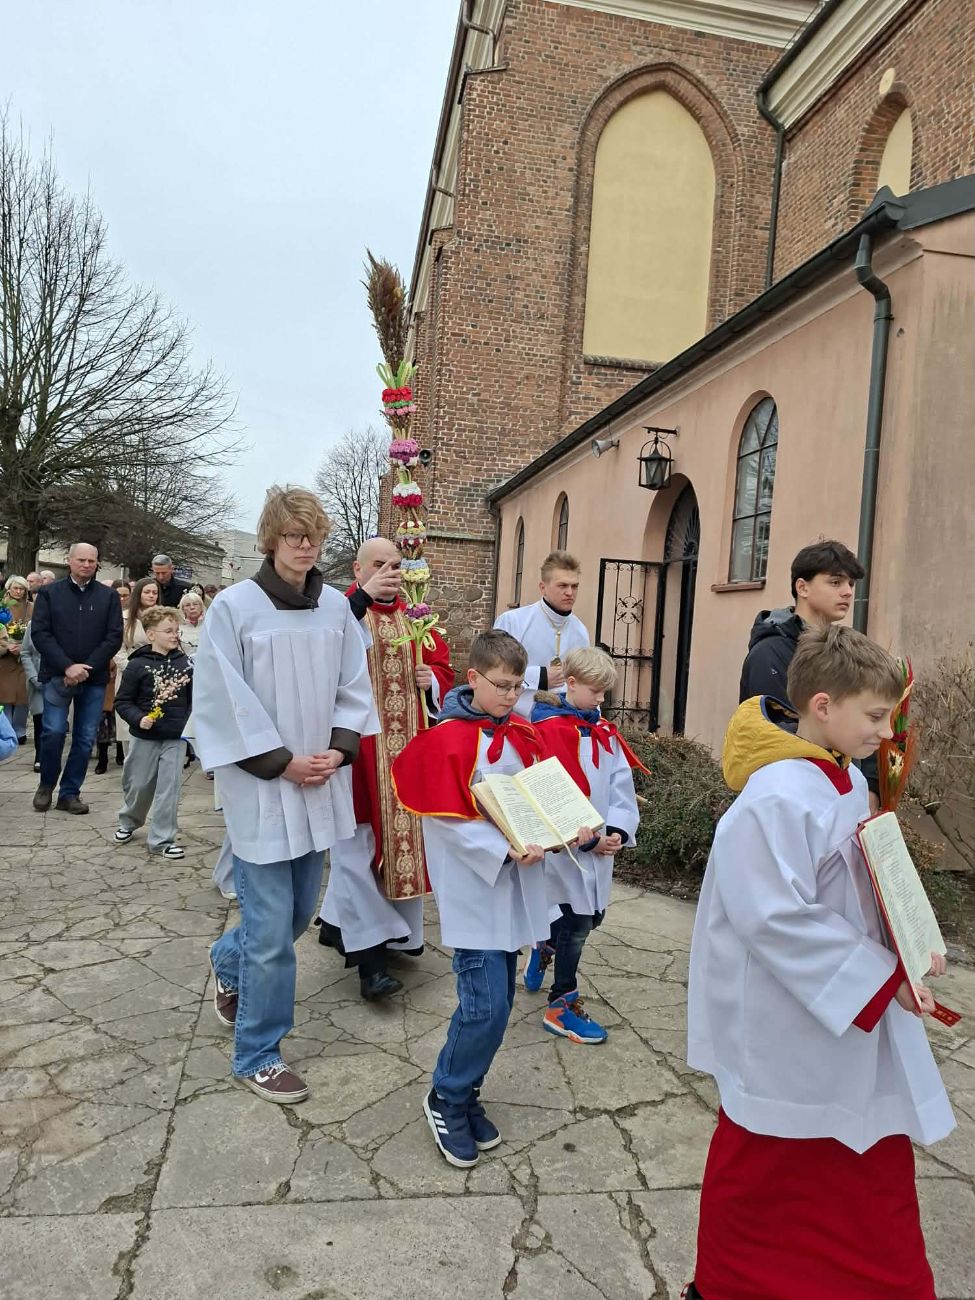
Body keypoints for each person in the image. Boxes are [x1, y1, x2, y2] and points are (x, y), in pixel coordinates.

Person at [684, 625, 955, 1300]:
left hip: (835, 1014)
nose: (885, 730)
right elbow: (772, 915)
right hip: (789, 1022)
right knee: (779, 1168)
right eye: (873, 716)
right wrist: (877, 979)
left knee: (858, 1157)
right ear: (823, 706)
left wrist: (905, 936)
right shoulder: (776, 796)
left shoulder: (834, 780)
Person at [193, 486, 377, 1105]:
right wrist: (280, 763)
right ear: (271, 539)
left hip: (320, 781)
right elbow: (221, 700)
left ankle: (225, 955)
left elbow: (356, 685)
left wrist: (340, 748)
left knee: (296, 917)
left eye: (315, 536)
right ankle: (259, 1052)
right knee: (272, 934)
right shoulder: (236, 608)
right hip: (264, 785)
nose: (307, 546)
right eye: (295, 535)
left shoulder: (332, 611)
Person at [390, 630, 550, 1169]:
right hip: (476, 887)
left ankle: (468, 1091)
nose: (510, 695)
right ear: (473, 678)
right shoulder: (447, 739)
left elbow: (543, 794)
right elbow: (445, 820)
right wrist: (504, 849)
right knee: (484, 1005)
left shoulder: (522, 733)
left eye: (518, 686)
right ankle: (446, 1096)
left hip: (516, 884)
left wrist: (563, 826)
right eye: (501, 685)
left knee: (499, 1004)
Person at [318, 537, 455, 1000]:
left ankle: (392, 934)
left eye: (396, 565)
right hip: (358, 752)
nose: (390, 572)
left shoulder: (418, 614)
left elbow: (444, 667)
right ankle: (369, 962)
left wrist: (431, 679)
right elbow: (321, 658)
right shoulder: (339, 610)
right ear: (358, 569)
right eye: (380, 564)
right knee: (357, 850)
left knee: (404, 848)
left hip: (408, 751)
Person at [528, 647, 645, 1041]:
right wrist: (584, 840)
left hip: (599, 848)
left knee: (590, 918)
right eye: (595, 691)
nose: (600, 700)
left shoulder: (604, 733)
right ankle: (561, 1004)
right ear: (571, 684)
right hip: (567, 852)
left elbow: (620, 787)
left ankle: (544, 945)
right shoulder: (548, 730)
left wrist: (617, 830)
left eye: (605, 693)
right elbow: (547, 792)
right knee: (576, 922)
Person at [30, 543, 124, 814]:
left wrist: (88, 668)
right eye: (81, 560)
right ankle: (46, 784)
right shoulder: (49, 593)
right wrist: (68, 667)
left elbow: (113, 637)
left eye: (91, 561)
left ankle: (69, 793)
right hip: (57, 676)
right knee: (54, 731)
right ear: (69, 561)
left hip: (93, 679)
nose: (86, 565)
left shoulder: (107, 597)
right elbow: (41, 634)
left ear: (97, 564)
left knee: (84, 738)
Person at [738, 539, 864, 703]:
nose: (848, 592)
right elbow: (776, 724)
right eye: (835, 582)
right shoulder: (770, 653)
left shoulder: (841, 649)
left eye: (851, 584)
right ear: (803, 588)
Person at [113, 607, 193, 858]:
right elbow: (123, 702)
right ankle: (129, 820)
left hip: (175, 737)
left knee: (169, 789)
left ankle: (162, 839)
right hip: (144, 737)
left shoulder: (186, 665)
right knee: (138, 785)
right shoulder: (138, 665)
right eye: (168, 631)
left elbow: (194, 700)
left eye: (176, 631)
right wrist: (139, 718)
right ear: (150, 635)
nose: (174, 635)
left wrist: (189, 726)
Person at [494, 550, 589, 717]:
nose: (570, 592)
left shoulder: (580, 631)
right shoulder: (513, 621)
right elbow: (493, 671)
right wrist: (541, 676)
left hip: (562, 723)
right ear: (542, 588)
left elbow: (584, 680)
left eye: (574, 586)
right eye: (562, 586)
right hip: (517, 720)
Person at [0, 575, 33, 742]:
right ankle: (6, 730)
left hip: (24, 657)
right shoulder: (2, 607)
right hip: (4, 658)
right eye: (15, 588)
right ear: (9, 589)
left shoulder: (31, 607)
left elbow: (37, 629)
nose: (18, 592)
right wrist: (6, 646)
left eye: (22, 589)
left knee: (22, 696)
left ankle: (19, 730)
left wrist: (24, 646)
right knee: (4, 696)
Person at [119, 578, 160, 672]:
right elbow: (118, 648)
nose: (151, 596)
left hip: (156, 669)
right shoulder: (124, 617)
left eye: (155, 593)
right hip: (130, 668)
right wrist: (130, 669)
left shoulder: (164, 618)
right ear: (138, 594)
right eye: (147, 592)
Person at [19, 621, 44, 772]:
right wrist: (34, 678)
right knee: (39, 719)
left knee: (56, 724)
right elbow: (25, 652)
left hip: (60, 679)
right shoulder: (33, 624)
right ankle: (40, 755)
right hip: (37, 678)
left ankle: (53, 753)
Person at [177, 590, 206, 657]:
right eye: (187, 605)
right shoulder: (178, 628)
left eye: (195, 604)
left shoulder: (209, 626)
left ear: (201, 607)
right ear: (183, 609)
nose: (192, 607)